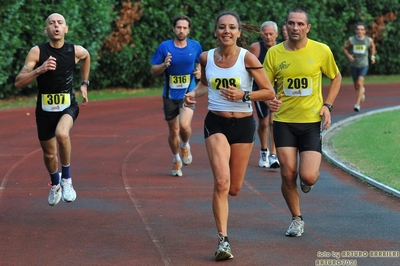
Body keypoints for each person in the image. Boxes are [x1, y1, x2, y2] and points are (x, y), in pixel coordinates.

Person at [184, 11, 275, 261]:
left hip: (244, 126)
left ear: (238, 32)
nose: (227, 31)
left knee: (234, 188)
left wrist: (243, 95)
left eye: (232, 27)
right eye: (222, 27)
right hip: (216, 124)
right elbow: (205, 85)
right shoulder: (206, 57)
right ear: (216, 31)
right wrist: (195, 93)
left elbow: (268, 91)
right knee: (222, 182)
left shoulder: (248, 58)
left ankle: (224, 232)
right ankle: (223, 240)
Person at [264, 7, 341, 237]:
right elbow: (266, 87)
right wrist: (270, 101)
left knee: (307, 177)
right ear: (285, 26)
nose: (295, 27)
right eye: (290, 23)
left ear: (308, 27)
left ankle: (308, 181)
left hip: (310, 122)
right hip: (284, 121)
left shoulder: (321, 50)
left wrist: (327, 105)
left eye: (299, 24)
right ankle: (297, 219)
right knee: (288, 173)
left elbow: (336, 77)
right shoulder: (274, 54)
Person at [14, 13, 90, 206]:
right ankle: (55, 183)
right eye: (51, 23)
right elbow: (18, 83)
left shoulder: (75, 51)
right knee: (49, 155)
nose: (56, 26)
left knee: (62, 134)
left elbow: (86, 56)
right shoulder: (37, 52)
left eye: (60, 23)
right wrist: (40, 69)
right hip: (44, 110)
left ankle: (66, 180)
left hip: (68, 106)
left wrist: (84, 83)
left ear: (66, 29)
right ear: (46, 30)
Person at [150, 14, 202, 177]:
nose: (181, 30)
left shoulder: (195, 46)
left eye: (185, 28)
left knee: (184, 126)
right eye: (179, 27)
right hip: (170, 96)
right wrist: (164, 65)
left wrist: (200, 70)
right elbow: (153, 71)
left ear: (189, 30)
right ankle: (176, 158)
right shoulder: (165, 47)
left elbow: (202, 61)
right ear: (173, 29)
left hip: (188, 93)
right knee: (173, 131)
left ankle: (185, 145)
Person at [249, 21, 280, 169]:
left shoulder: (282, 48)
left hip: (277, 89)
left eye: (271, 34)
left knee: (274, 121)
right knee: (264, 122)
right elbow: (248, 68)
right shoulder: (256, 48)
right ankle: (263, 150)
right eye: (265, 34)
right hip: (260, 89)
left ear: (276, 34)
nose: (268, 37)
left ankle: (273, 154)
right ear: (261, 34)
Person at [342, 22, 376, 112]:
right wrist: (349, 56)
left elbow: (373, 47)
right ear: (355, 31)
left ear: (365, 31)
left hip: (364, 65)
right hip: (354, 65)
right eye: (358, 29)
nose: (360, 31)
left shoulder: (368, 40)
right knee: (356, 86)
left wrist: (372, 56)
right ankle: (361, 92)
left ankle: (357, 104)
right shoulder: (352, 39)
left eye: (362, 29)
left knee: (360, 83)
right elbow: (344, 48)